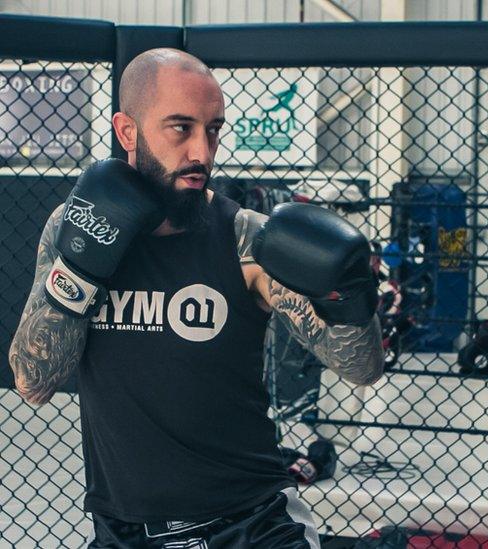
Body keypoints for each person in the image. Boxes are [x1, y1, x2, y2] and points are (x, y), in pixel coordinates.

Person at [7, 48, 385, 548]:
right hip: (125, 532)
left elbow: (362, 369)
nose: (202, 153)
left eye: (213, 130)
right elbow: (33, 381)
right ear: (127, 132)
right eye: (180, 128)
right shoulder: (71, 228)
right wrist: (79, 267)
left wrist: (352, 297)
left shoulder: (247, 239)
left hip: (251, 527)